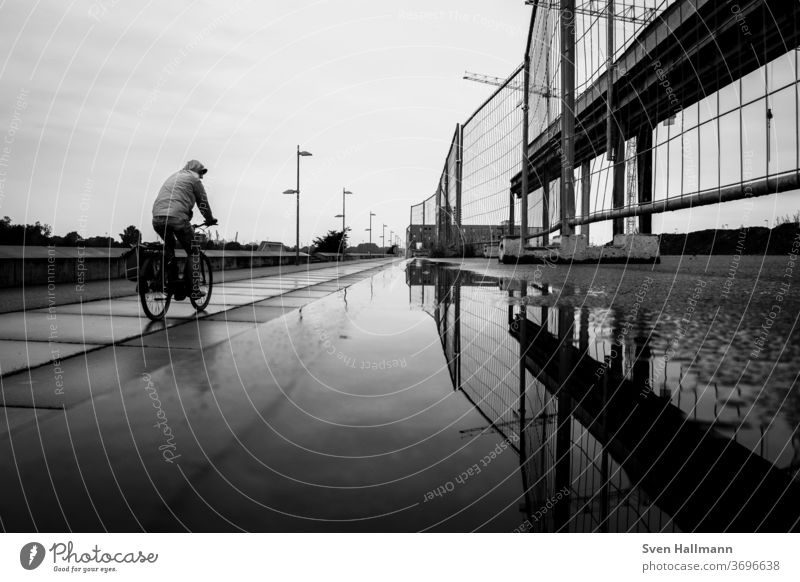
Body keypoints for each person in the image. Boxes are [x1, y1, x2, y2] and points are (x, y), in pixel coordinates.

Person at [152, 159, 217, 300]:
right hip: (177, 218)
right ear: (195, 171)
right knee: (194, 251)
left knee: (169, 247)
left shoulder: (173, 177)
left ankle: (170, 282)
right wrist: (210, 219)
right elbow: (203, 203)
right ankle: (193, 289)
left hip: (157, 218)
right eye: (201, 172)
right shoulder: (194, 180)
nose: (202, 176)